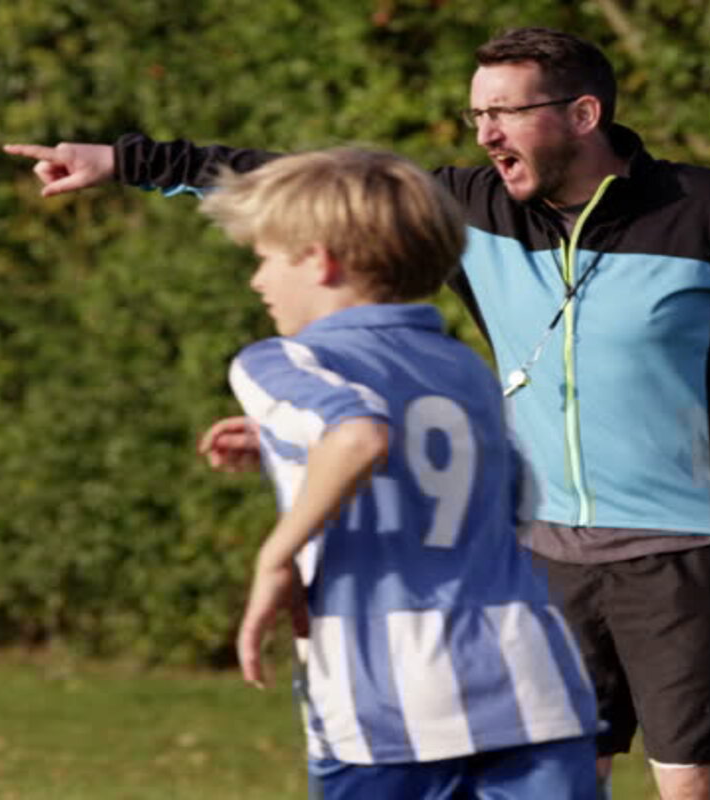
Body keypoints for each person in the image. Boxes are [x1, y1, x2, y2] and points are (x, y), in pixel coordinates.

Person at [5, 26, 710, 800]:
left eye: (506, 112)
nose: (486, 133)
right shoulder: (474, 209)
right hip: (539, 548)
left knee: (690, 785)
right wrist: (128, 162)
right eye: (477, 115)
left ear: (583, 114)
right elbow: (322, 187)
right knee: (566, 776)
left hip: (693, 540)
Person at [190, 147, 603, 799]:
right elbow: (515, 497)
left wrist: (275, 557)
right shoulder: (464, 367)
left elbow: (359, 435)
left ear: (319, 259)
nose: (257, 281)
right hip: (527, 680)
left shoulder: (279, 360)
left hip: (382, 695)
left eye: (266, 258)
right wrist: (284, 441)